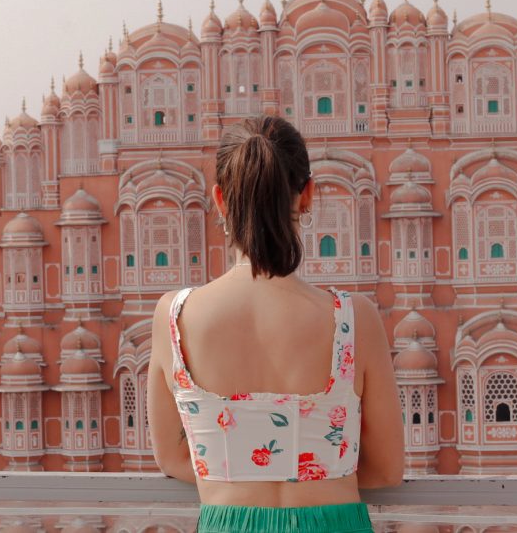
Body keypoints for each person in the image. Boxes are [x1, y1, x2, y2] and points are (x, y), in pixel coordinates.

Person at [147, 116, 403, 533]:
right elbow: (387, 469)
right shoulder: (353, 319)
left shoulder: (174, 317)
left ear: (220, 200)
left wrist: (243, 470)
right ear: (307, 195)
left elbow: (175, 460)